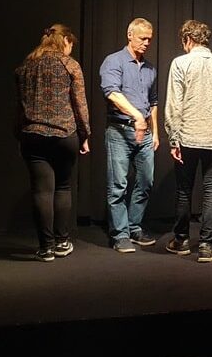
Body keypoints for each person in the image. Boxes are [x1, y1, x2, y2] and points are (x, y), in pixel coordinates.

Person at [14, 24, 91, 262]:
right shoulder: (69, 65)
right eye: (71, 45)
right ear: (65, 41)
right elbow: (80, 104)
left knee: (41, 190)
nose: (71, 49)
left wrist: (19, 133)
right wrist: (85, 134)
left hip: (33, 134)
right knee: (63, 187)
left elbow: (19, 105)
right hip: (64, 134)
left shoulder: (26, 66)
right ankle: (62, 242)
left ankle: (45, 248)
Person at [164, 20, 212, 262]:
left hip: (188, 136)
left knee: (184, 190)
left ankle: (182, 240)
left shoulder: (180, 63)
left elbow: (174, 105)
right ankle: (206, 245)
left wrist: (173, 139)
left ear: (187, 39)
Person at [99, 17, 159, 253]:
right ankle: (120, 234)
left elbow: (153, 101)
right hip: (120, 130)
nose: (146, 43)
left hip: (144, 134)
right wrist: (137, 116)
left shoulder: (151, 68)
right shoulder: (113, 61)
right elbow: (112, 93)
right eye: (142, 38)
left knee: (146, 181)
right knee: (118, 185)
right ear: (130, 35)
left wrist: (153, 131)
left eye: (150, 40)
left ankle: (134, 226)